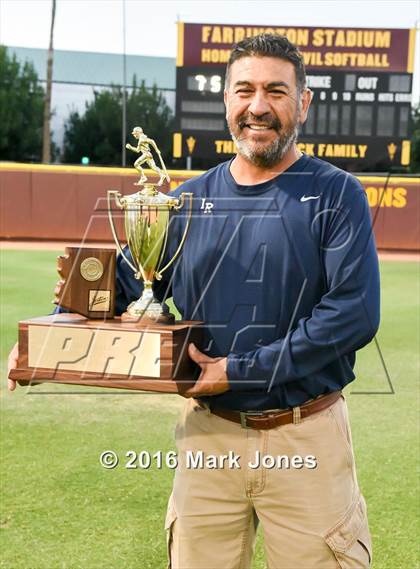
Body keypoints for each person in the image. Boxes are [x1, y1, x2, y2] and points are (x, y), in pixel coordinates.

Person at [9, 34, 379, 568]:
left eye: (276, 91)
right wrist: (49, 350)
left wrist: (238, 369)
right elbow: (129, 295)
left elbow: (353, 315)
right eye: (244, 90)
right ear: (226, 101)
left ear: (303, 102)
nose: (258, 106)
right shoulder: (182, 204)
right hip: (208, 434)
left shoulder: (336, 193)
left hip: (306, 436)